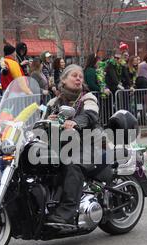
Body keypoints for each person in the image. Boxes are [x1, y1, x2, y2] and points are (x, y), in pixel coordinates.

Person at [43, 64, 101, 226]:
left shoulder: (87, 98)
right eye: (74, 76)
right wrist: (49, 119)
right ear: (63, 79)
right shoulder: (54, 102)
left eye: (80, 76)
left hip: (89, 143)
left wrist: (74, 122)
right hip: (62, 144)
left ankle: (67, 212)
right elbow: (41, 120)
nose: (78, 79)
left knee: (72, 163)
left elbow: (90, 116)